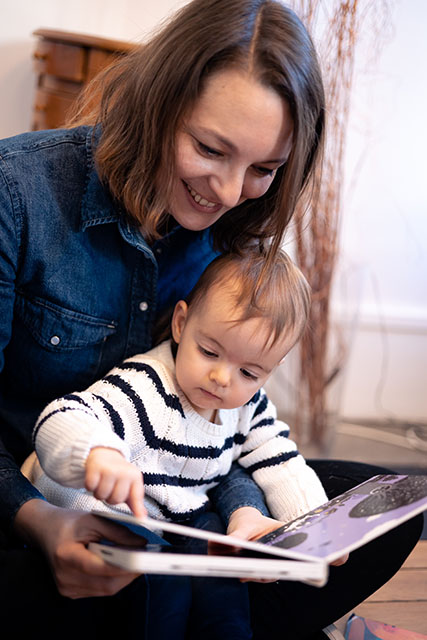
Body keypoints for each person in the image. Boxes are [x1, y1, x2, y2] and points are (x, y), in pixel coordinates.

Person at [0, 0, 421, 638]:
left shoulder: (229, 236)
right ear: (157, 104)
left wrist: (250, 521)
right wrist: (37, 520)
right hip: (32, 505)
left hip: (174, 509)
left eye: (263, 169)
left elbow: (222, 435)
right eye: (209, 149)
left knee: (380, 511)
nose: (226, 193)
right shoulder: (17, 192)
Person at [27, 250, 329, 639]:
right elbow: (63, 415)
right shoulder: (148, 389)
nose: (221, 377)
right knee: (161, 593)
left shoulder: (248, 403)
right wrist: (97, 452)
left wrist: (318, 530)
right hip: (119, 517)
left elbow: (277, 455)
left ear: (269, 370)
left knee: (224, 576)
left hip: (184, 516)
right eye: (209, 352)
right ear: (182, 324)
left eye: (249, 372)